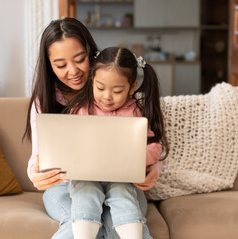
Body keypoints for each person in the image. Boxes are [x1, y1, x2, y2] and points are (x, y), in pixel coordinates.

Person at [24, 17, 165, 239]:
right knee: (83, 219)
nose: (73, 71)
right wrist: (35, 173)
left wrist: (153, 170)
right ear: (49, 66)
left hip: (121, 183)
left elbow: (150, 142)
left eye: (80, 59)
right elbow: (38, 157)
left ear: (92, 54)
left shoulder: (120, 92)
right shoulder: (44, 101)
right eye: (61, 65)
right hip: (68, 185)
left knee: (120, 220)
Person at [63, 47, 168, 239]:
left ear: (132, 87)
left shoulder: (136, 111)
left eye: (117, 90)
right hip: (87, 176)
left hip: (122, 177)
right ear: (92, 80)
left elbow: (154, 146)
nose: (107, 97)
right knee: (85, 192)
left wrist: (138, 158)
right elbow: (68, 144)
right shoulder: (81, 108)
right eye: (100, 88)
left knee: (123, 192)